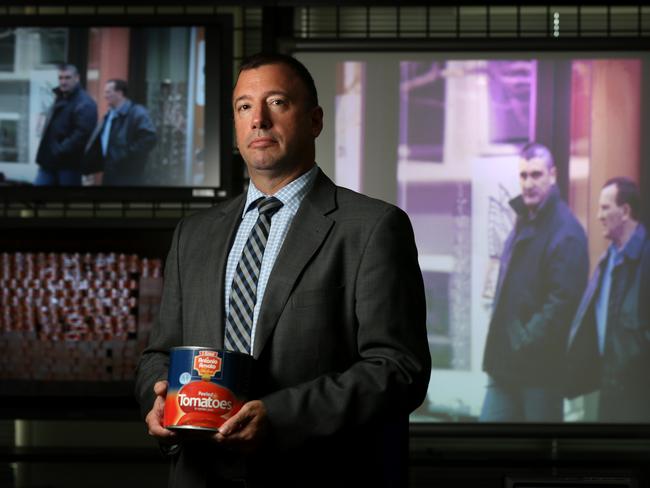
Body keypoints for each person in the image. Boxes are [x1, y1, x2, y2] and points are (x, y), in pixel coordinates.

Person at [135, 53, 431, 487]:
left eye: (276, 102)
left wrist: (278, 417)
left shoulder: (372, 227)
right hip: (200, 473)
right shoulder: (193, 234)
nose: (258, 120)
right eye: (244, 106)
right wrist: (159, 398)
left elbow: (398, 368)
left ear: (315, 120)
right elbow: (158, 355)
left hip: (314, 473)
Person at [480, 142, 589, 422]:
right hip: (506, 365)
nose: (528, 183)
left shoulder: (567, 231)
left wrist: (522, 341)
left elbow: (562, 303)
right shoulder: (525, 221)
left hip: (539, 372)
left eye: (536, 175)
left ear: (552, 175)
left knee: (536, 457)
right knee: (487, 450)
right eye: (523, 175)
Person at [566, 177, 650, 422]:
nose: (598, 216)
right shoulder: (607, 261)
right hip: (609, 387)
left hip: (638, 393)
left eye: (605, 208)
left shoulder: (645, 257)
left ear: (624, 212)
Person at [82, 79, 156, 186]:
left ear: (120, 93)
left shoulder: (137, 112)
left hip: (127, 174)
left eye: (108, 92)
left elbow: (149, 138)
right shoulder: (110, 114)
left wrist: (126, 157)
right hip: (110, 170)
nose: (105, 96)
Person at [35, 64, 97, 186]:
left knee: (67, 201)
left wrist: (59, 150)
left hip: (68, 165)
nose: (63, 82)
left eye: (67, 78)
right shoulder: (62, 96)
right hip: (50, 162)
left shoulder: (84, 102)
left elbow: (82, 133)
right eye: (60, 78)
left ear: (77, 78)